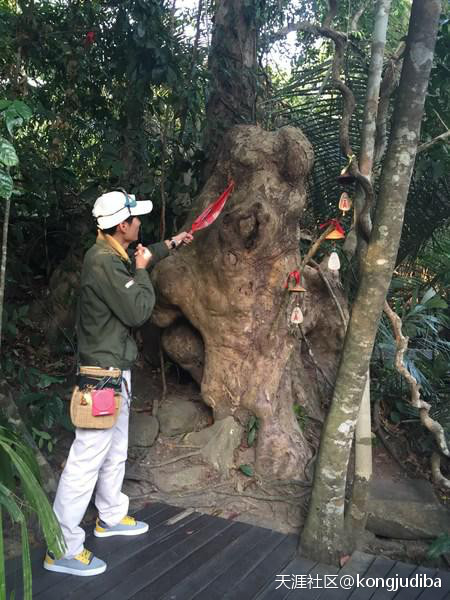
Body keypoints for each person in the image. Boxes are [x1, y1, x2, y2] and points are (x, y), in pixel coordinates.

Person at [43, 190, 193, 576]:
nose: (140, 223)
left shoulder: (111, 252)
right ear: (122, 226)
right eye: (136, 219)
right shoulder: (103, 264)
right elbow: (139, 310)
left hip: (115, 371)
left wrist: (168, 245)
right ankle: (60, 546)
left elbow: (137, 256)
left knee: (115, 448)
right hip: (101, 375)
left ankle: (109, 517)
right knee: (86, 458)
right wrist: (143, 271)